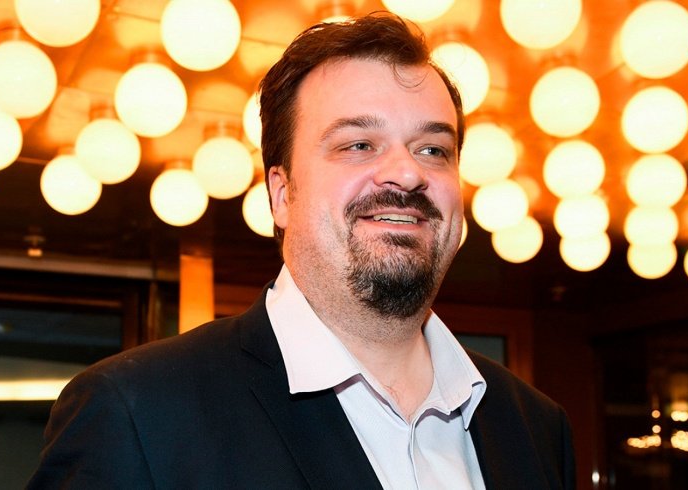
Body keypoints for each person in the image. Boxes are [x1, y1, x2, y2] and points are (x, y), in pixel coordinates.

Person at [28, 13, 576, 489]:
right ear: (282, 194)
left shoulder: (535, 427)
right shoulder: (137, 414)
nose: (408, 172)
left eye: (433, 149)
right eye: (358, 144)